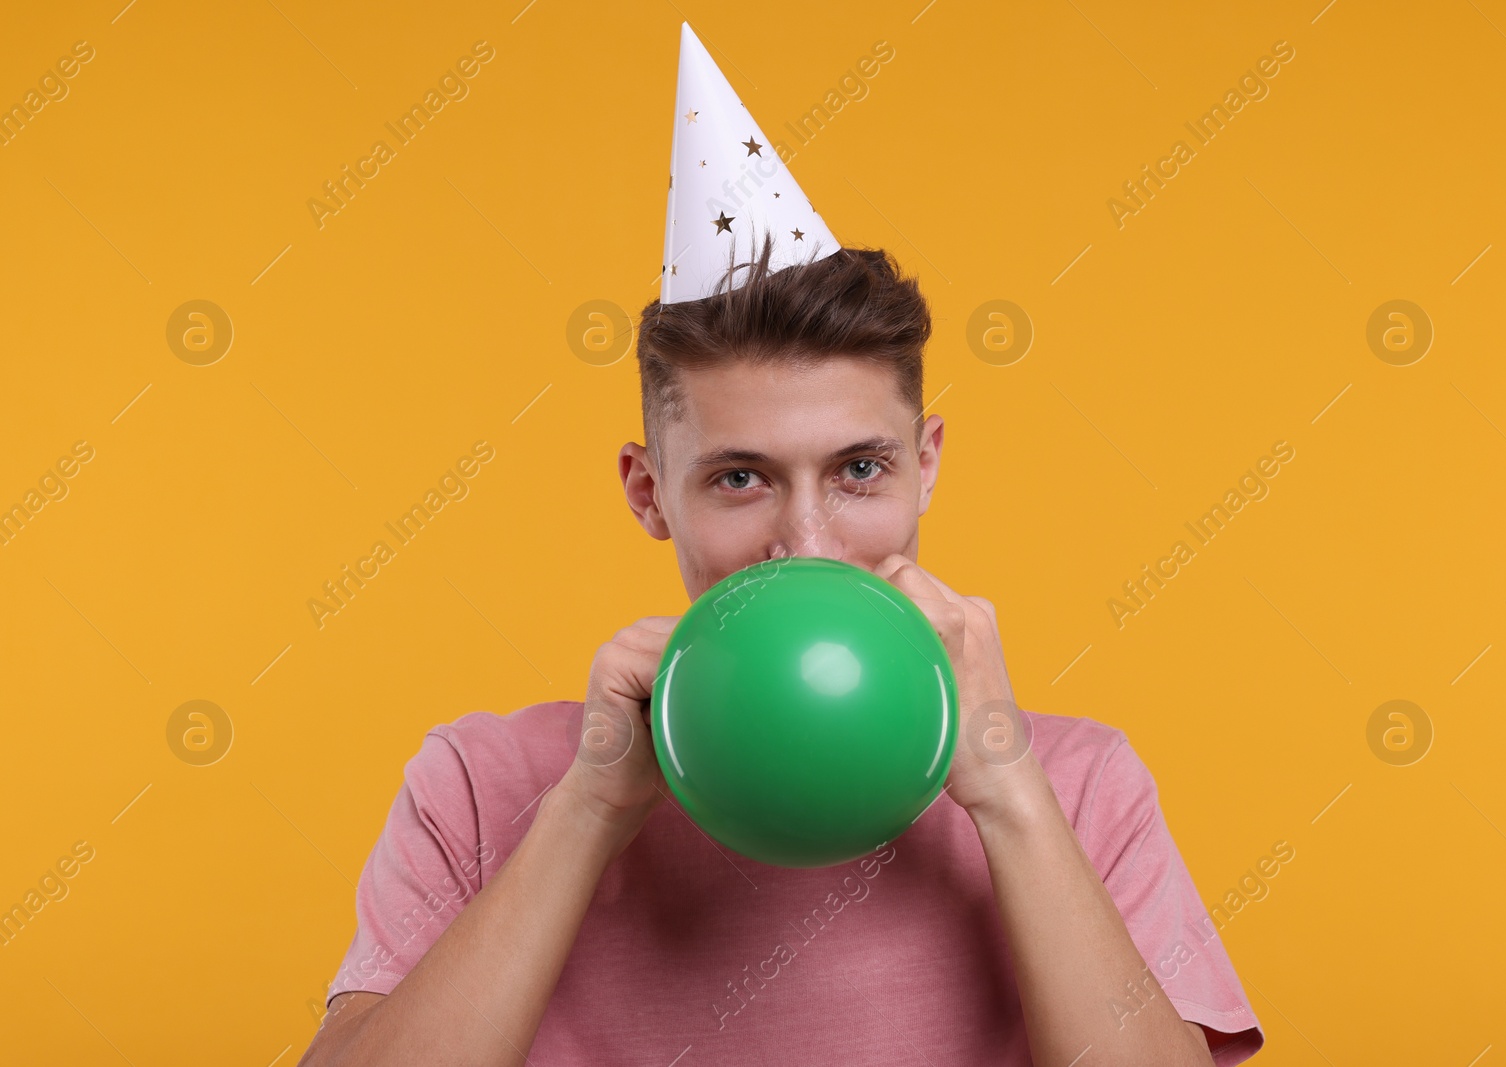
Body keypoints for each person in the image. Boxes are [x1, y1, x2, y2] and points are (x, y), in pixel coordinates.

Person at [300, 23, 1264, 1067]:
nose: (804, 544)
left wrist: (1006, 787)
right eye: (739, 477)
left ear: (925, 463)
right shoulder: (484, 784)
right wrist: (584, 809)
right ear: (647, 489)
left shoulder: (1076, 783)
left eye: (859, 470)